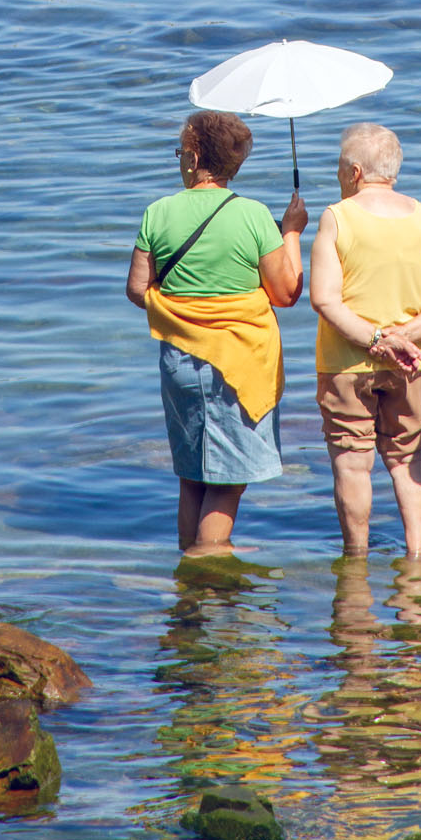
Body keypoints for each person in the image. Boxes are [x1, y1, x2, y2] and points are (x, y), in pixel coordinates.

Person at [127, 109, 306, 557]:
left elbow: (136, 289)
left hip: (180, 361)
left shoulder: (158, 211)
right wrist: (292, 234)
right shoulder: (252, 216)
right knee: (227, 483)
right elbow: (285, 293)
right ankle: (207, 577)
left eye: (178, 153)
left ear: (192, 157)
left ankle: (189, 590)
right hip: (239, 363)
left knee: (192, 475)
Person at [310, 122, 421, 559]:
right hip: (411, 362)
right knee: (407, 457)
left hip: (347, 361)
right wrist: (404, 337)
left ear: (356, 172)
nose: (340, 177)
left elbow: (324, 299)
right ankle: (417, 555)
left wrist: (377, 338)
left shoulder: (337, 217)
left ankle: (356, 558)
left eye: (341, 168)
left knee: (352, 459)